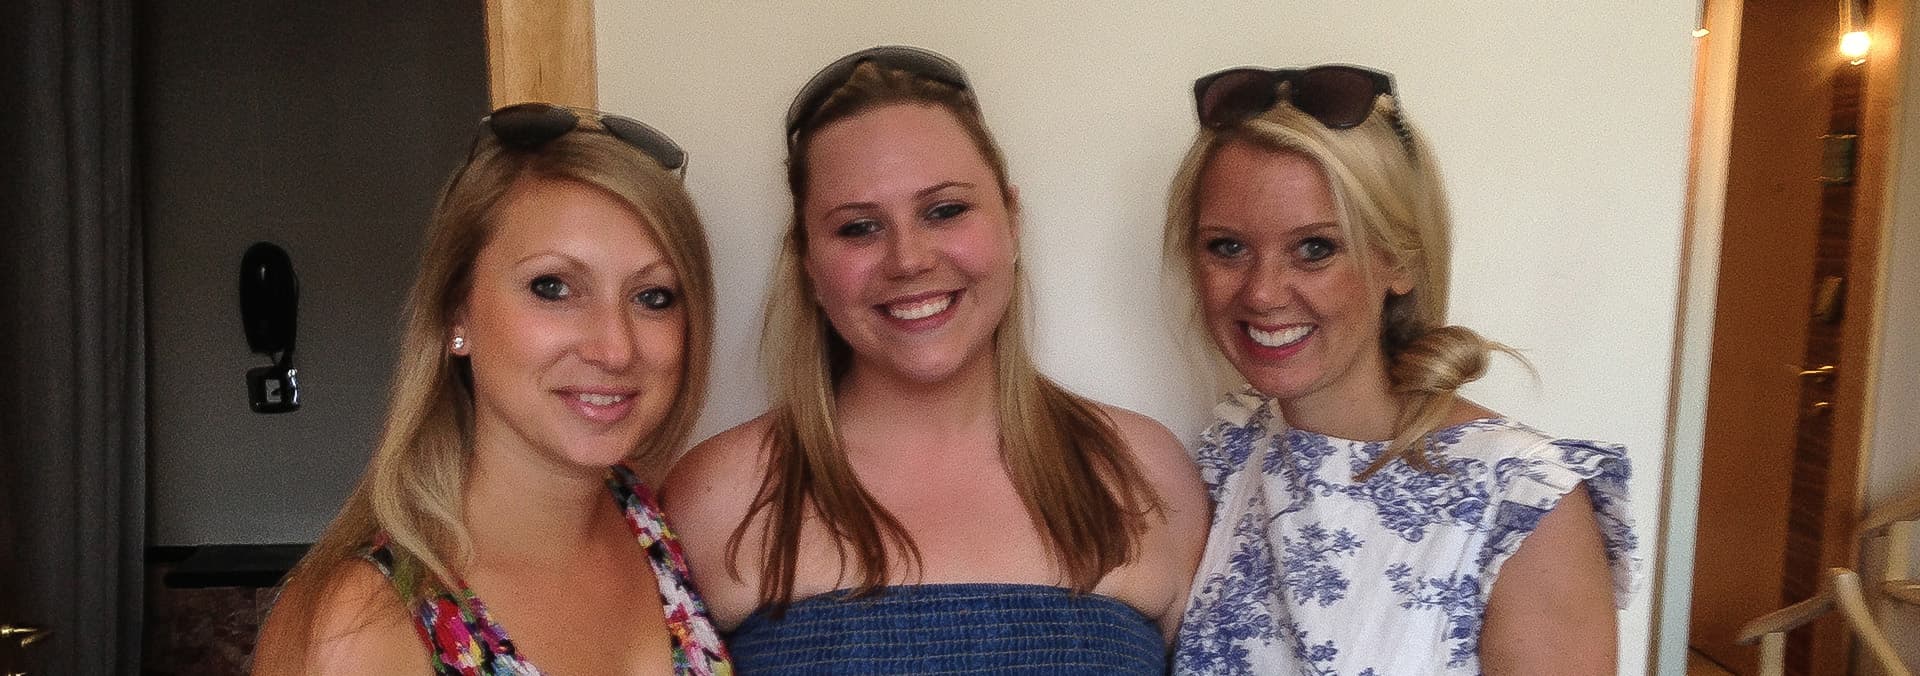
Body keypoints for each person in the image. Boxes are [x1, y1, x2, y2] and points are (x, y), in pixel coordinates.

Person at [664, 46, 1207, 674]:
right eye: (858, 228)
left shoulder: (1148, 473)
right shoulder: (713, 497)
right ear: (807, 260)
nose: (908, 260)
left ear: (1012, 219)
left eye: (945, 211)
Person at [1163, 65, 1639, 674]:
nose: (1262, 292)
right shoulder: (1229, 452)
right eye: (1228, 247)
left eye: (1315, 248)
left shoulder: (1522, 501)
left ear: (1400, 261)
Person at [251, 102, 732, 675]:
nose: (616, 349)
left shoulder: (646, 521)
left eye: (654, 297)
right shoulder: (360, 624)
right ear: (456, 313)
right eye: (552, 287)